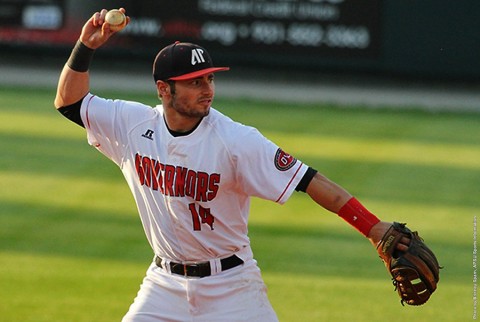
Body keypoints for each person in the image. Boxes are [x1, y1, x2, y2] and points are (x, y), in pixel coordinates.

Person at [54, 8, 409, 322]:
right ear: (164, 89)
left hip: (233, 287)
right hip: (163, 285)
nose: (207, 88)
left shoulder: (236, 140)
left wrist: (373, 228)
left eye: (209, 78)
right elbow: (69, 103)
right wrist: (86, 46)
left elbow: (310, 181)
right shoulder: (132, 125)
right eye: (194, 82)